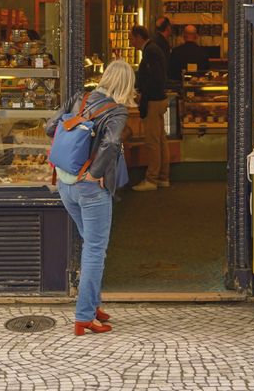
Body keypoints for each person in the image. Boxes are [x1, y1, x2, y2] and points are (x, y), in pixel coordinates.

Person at [46, 58, 134, 336]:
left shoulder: (79, 98)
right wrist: (95, 173)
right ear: (127, 84)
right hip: (90, 187)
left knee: (90, 245)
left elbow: (51, 127)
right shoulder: (117, 111)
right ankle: (84, 317)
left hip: (65, 183)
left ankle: (93, 304)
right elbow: (111, 143)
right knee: (95, 250)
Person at [129, 24, 169, 191]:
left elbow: (154, 78)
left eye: (131, 38)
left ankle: (151, 179)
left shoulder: (150, 52)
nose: (130, 42)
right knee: (160, 140)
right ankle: (163, 177)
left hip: (153, 102)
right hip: (159, 100)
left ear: (139, 37)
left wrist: (142, 94)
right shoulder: (154, 49)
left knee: (152, 141)